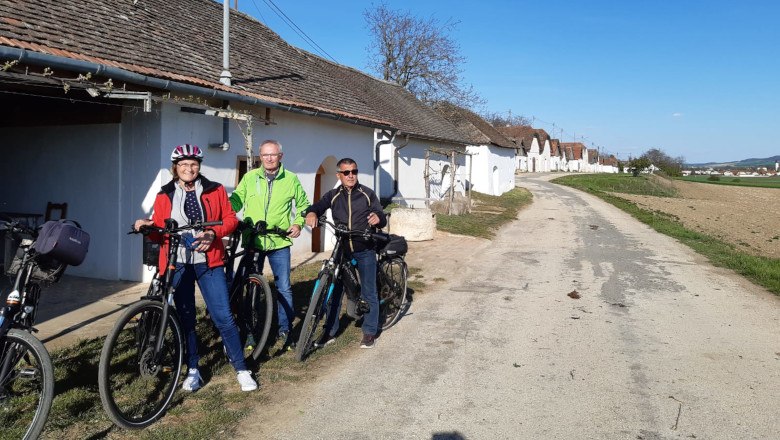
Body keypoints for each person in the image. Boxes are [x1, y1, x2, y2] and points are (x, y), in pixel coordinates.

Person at [134, 144, 258, 392]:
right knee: (187, 318)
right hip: (178, 263)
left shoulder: (215, 190)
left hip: (208, 262)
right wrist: (146, 225)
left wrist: (214, 233)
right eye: (183, 165)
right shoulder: (164, 195)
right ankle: (193, 369)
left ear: (199, 166)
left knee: (223, 316)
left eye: (193, 164)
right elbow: (160, 232)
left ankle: (242, 369)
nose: (188, 169)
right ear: (175, 168)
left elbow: (231, 219)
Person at [230, 140, 310, 350]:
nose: (269, 158)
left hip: (279, 241)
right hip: (253, 239)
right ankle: (249, 332)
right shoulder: (250, 177)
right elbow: (236, 200)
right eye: (265, 155)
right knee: (251, 287)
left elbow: (303, 205)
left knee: (284, 287)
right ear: (260, 156)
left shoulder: (291, 179)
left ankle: (285, 330)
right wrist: (224, 210)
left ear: (280, 156)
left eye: (273, 154)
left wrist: (298, 223)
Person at [304, 158, 387, 349]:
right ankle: (329, 332)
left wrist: (378, 218)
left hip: (364, 246)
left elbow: (379, 214)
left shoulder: (367, 193)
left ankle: (369, 331)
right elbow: (317, 206)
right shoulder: (333, 195)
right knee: (335, 290)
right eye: (347, 172)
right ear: (338, 175)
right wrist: (311, 213)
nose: (351, 176)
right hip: (342, 248)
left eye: (354, 171)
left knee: (369, 291)